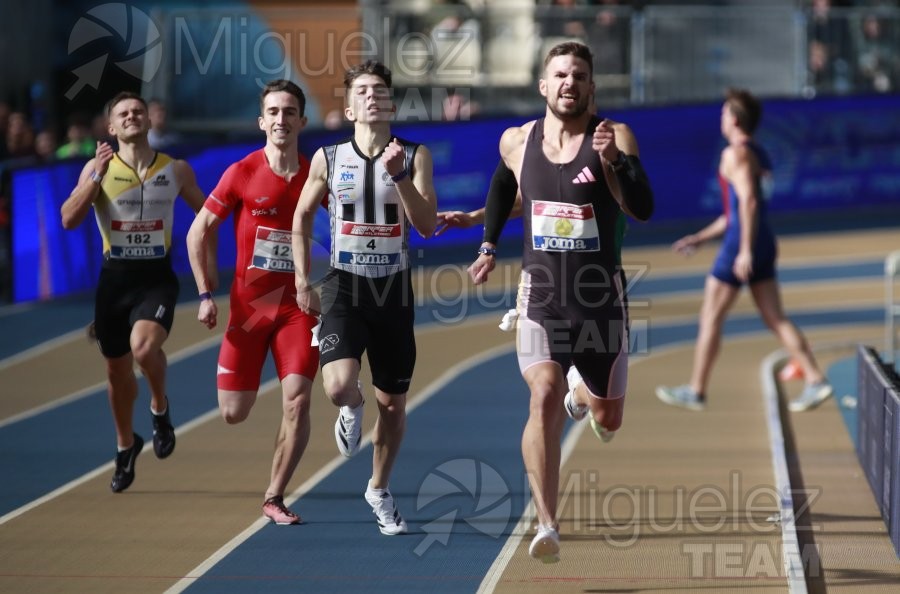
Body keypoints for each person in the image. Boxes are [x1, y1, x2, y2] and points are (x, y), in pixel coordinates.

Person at [466, 41, 654, 563]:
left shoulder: (612, 137)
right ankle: (547, 522)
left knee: (608, 418)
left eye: (580, 75)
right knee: (541, 394)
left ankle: (585, 398)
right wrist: (487, 243)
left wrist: (618, 165)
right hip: (541, 298)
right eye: (560, 75)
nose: (569, 82)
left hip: (600, 307)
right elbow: (504, 185)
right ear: (544, 86)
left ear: (592, 87)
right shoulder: (516, 140)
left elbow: (643, 209)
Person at [292, 60, 438, 536]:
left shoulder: (415, 155)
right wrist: (300, 278)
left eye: (379, 90)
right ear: (350, 106)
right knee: (337, 386)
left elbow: (428, 225)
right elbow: (301, 218)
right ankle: (350, 407)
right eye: (362, 91)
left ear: (391, 103)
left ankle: (378, 488)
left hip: (393, 289)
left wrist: (398, 177)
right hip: (344, 284)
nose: (372, 97)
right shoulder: (328, 158)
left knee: (393, 405)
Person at [60, 92, 210, 493]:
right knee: (117, 372)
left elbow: (210, 214)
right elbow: (68, 220)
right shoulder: (97, 168)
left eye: (137, 111)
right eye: (122, 114)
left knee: (144, 349)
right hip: (115, 282)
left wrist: (206, 276)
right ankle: (126, 444)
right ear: (111, 127)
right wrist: (94, 178)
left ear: (148, 121)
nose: (132, 116)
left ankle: (160, 408)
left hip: (156, 278)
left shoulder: (175, 169)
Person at [185, 80, 318, 525]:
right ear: (262, 121)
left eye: (290, 112)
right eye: (274, 112)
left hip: (296, 306)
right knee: (233, 413)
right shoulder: (242, 171)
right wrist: (206, 292)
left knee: (298, 400)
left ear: (302, 120)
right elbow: (197, 231)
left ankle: (275, 496)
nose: (282, 120)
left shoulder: (314, 174)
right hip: (250, 308)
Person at [655, 88, 833, 414]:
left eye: (724, 113)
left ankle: (696, 390)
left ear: (734, 120)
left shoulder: (734, 155)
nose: (721, 118)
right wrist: (700, 237)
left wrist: (745, 251)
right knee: (776, 318)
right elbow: (735, 210)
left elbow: (748, 201)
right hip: (761, 238)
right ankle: (815, 379)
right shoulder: (758, 153)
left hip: (743, 243)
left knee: (710, 317)